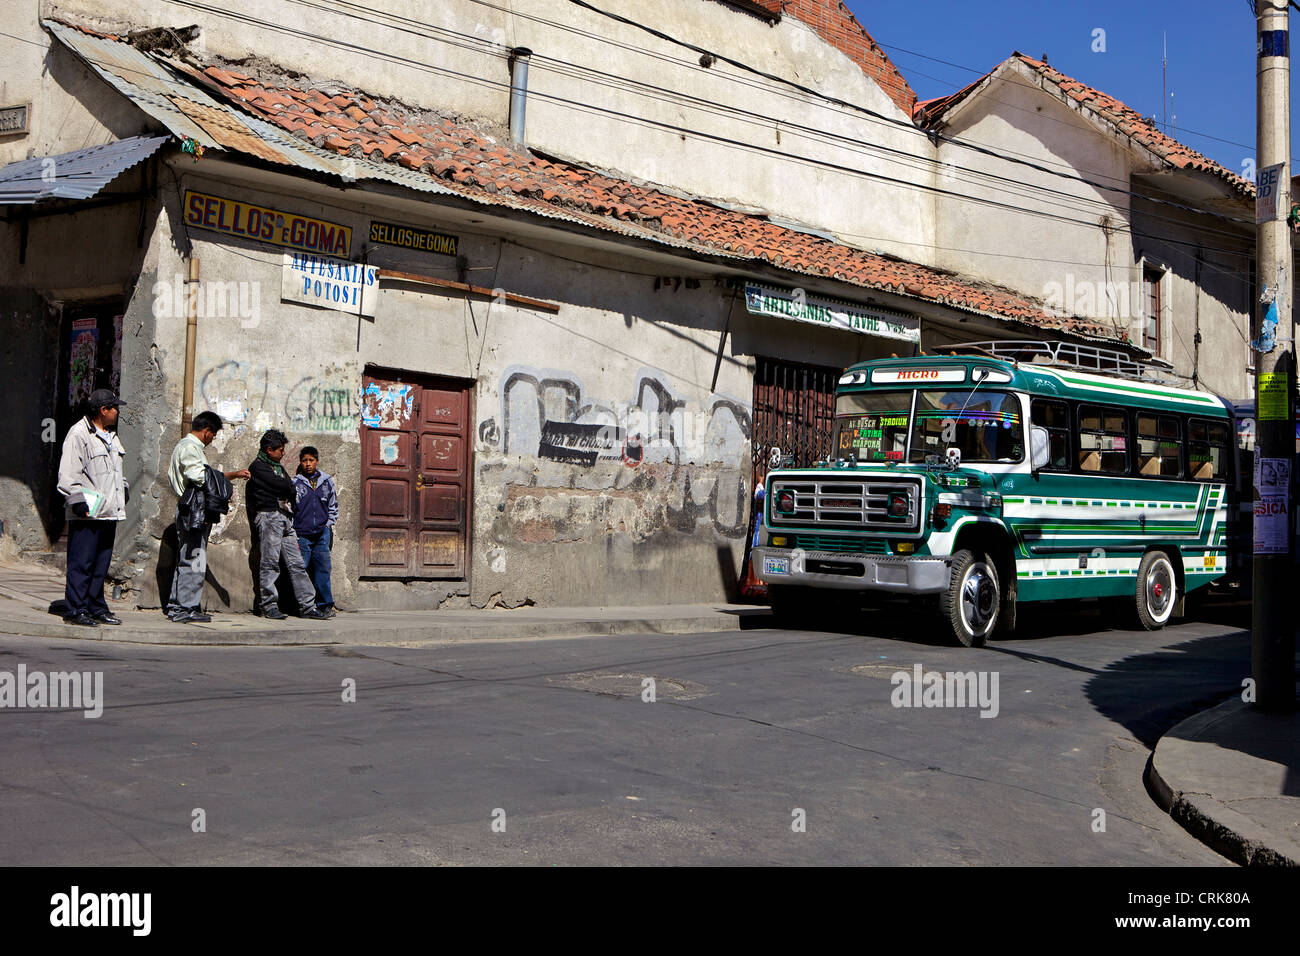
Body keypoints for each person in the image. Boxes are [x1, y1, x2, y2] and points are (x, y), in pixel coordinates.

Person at [165, 411, 251, 623]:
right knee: (194, 559)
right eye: (212, 436)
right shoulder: (189, 448)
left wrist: (228, 476)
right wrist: (223, 483)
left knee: (189, 557)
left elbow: (205, 475)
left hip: (194, 510)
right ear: (207, 431)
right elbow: (199, 476)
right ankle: (185, 607)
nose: (212, 440)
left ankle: (178, 604)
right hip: (194, 511)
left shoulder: (190, 448)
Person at [57, 389, 129, 626]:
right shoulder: (79, 434)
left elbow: (116, 470)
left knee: (101, 565)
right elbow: (69, 471)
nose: (117, 412)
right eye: (114, 408)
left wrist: (124, 488)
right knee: (82, 563)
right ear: (103, 410)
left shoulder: (111, 436)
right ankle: (76, 609)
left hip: (109, 511)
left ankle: (95, 606)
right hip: (88, 511)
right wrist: (76, 500)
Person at [247, 429, 327, 620]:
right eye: (280, 450)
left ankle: (307, 606)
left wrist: (287, 487)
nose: (283, 453)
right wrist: (286, 487)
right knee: (270, 563)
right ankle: (268, 605)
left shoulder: (277, 467)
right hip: (269, 517)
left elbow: (290, 488)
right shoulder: (258, 467)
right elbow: (284, 486)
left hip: (285, 518)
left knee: (297, 564)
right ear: (269, 450)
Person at [293, 446, 338, 619]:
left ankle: (325, 604)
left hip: (321, 533)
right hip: (302, 533)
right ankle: (302, 605)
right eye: (304, 461)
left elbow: (333, 505)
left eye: (311, 460)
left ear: (317, 461)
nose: (308, 464)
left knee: (323, 569)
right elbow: (290, 507)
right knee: (301, 568)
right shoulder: (296, 483)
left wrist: (328, 523)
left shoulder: (326, 481)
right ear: (300, 462)